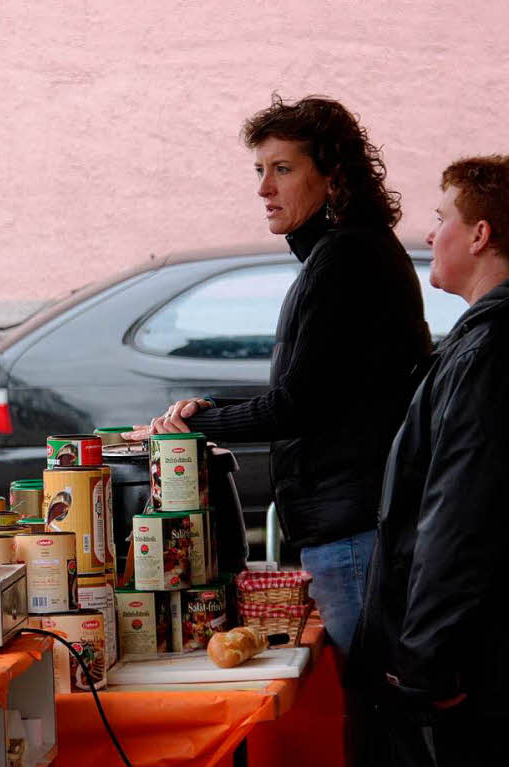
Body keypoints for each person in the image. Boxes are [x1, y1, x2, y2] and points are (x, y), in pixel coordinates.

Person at [129, 95, 431, 658]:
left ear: (334, 177)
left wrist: (197, 425)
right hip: (352, 523)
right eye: (260, 171)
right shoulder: (345, 252)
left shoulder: (344, 260)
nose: (264, 188)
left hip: (353, 526)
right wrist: (210, 409)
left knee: (378, 705)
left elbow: (300, 405)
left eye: (283, 170)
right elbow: (318, 389)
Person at [351, 156, 509, 766]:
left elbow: (461, 515)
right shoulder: (480, 340)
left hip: (479, 664)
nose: (428, 233)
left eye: (442, 217)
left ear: (479, 234)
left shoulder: (490, 349)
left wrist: (426, 661)